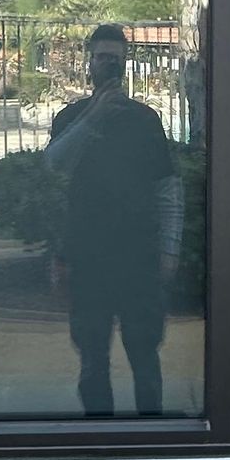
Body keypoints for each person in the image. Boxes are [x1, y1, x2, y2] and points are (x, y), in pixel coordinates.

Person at [45, 24, 181, 416]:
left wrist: (169, 253)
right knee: (91, 359)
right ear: (89, 62)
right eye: (102, 57)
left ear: (125, 64)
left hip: (139, 258)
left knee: (145, 356)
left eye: (116, 58)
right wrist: (94, 117)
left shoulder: (145, 120)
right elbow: (55, 165)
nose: (109, 64)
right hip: (87, 259)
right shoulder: (69, 118)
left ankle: (151, 438)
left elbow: (167, 189)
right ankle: (99, 440)